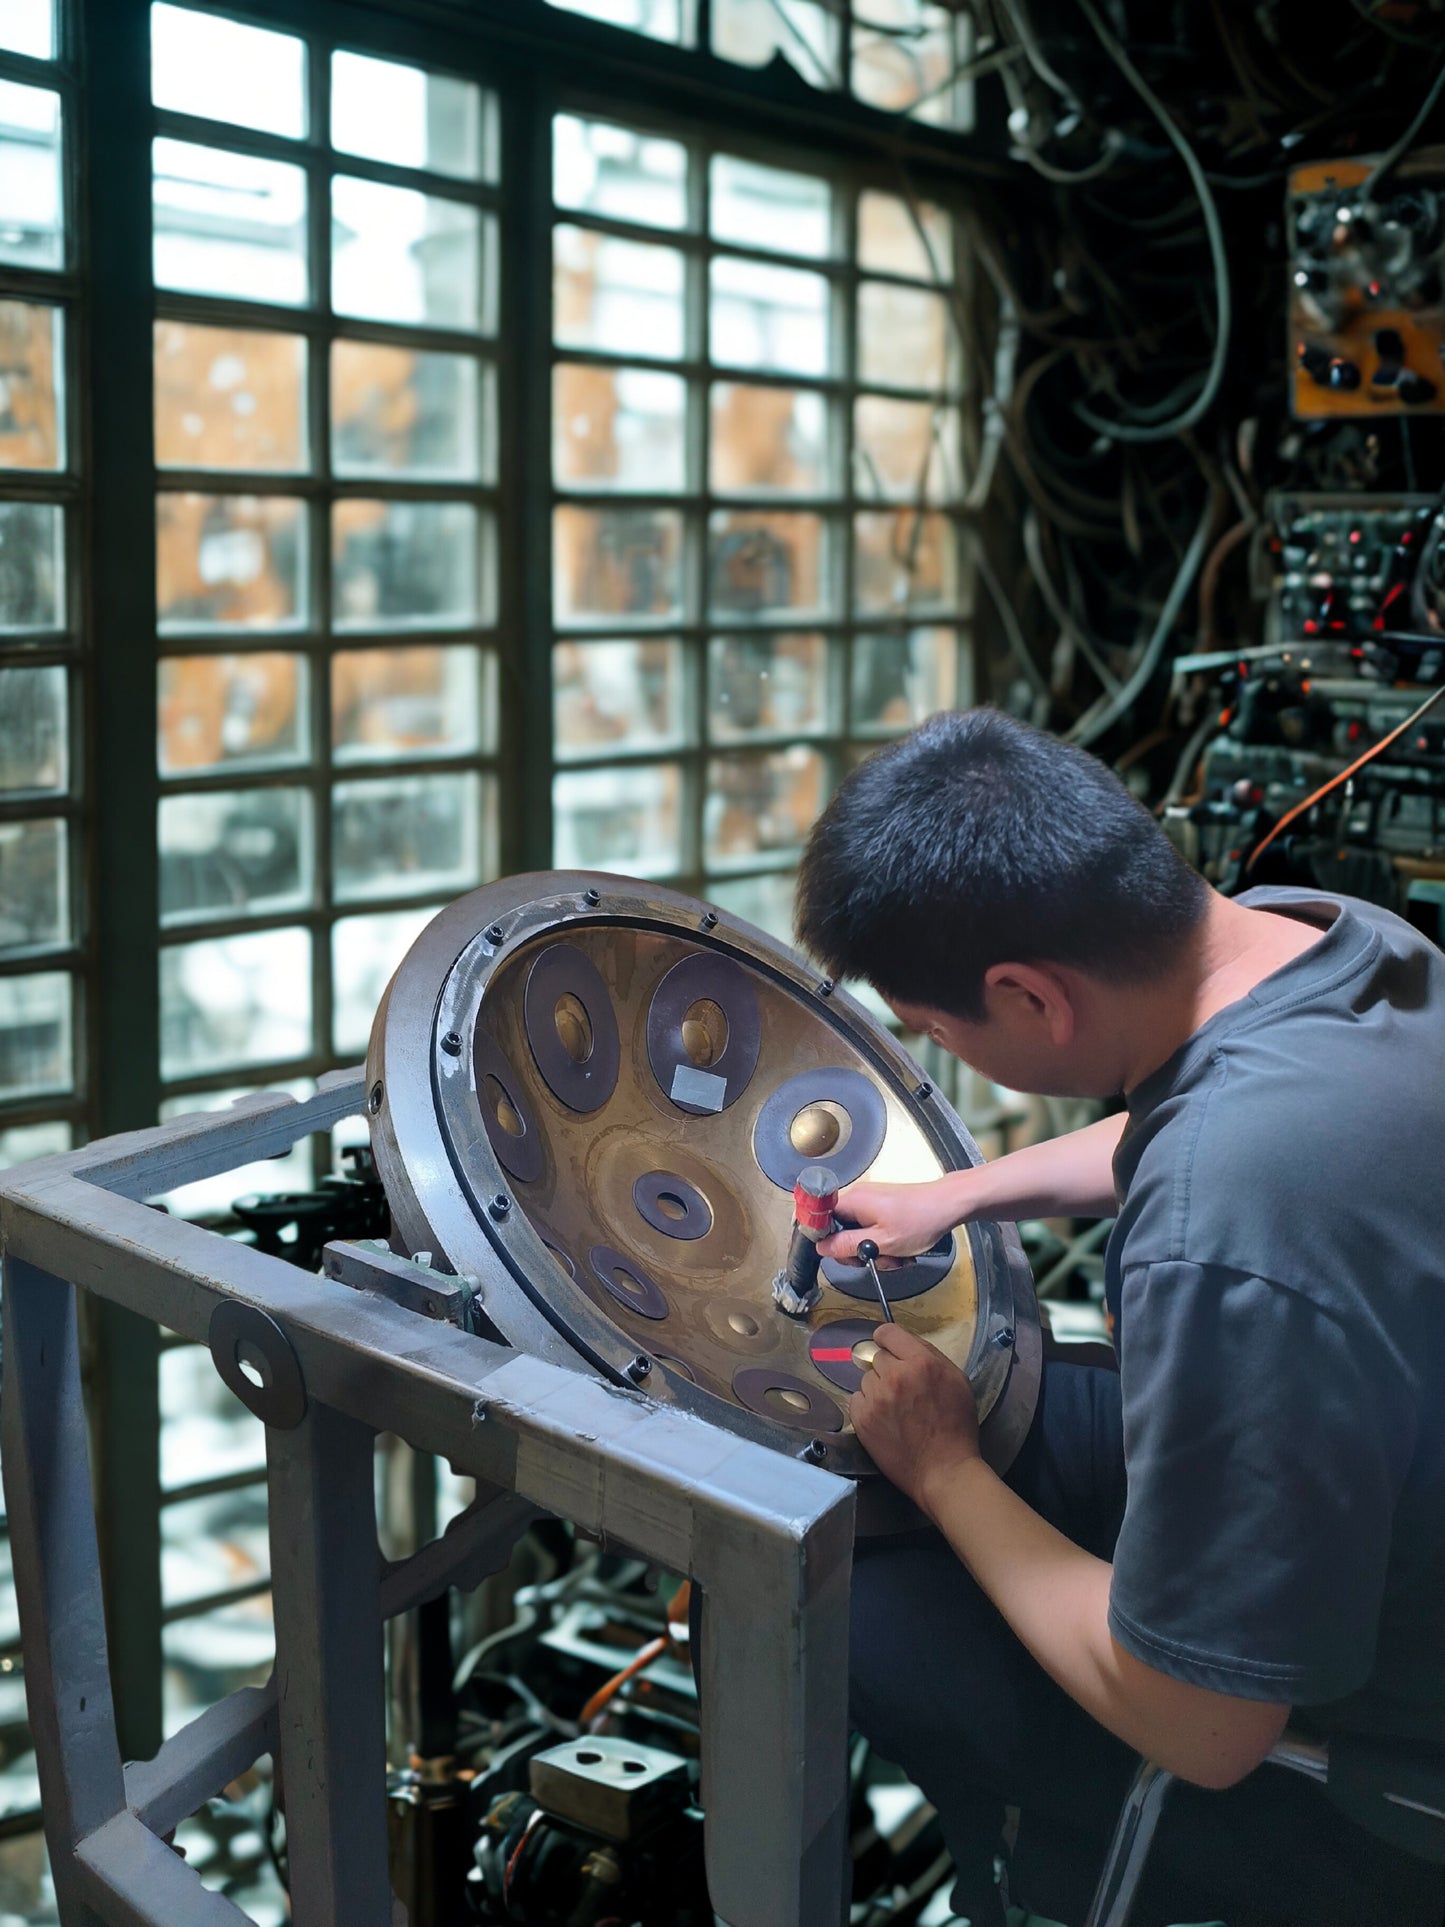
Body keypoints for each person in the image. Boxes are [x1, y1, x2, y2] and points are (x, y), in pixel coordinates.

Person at [793, 708, 1445, 1927]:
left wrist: (940, 1472)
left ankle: (1035, 1878)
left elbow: (1203, 1726)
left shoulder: (1223, 1232)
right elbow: (1204, 1120)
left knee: (850, 1617)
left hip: (1373, 1771)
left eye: (941, 1033)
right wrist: (962, 1192)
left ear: (1028, 996)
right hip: (1392, 1496)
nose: (944, 1052)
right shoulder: (1335, 943)